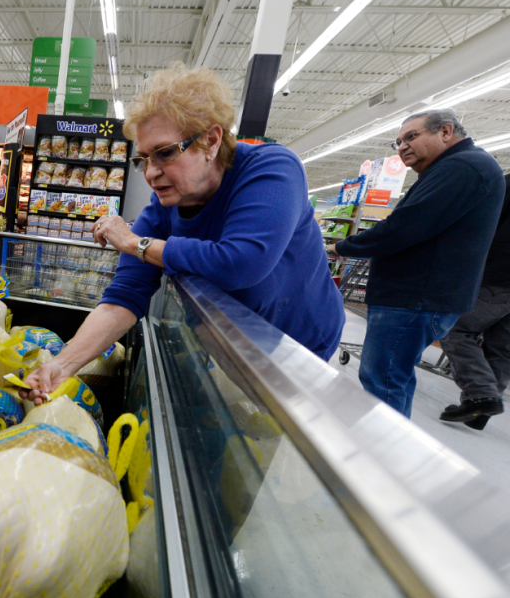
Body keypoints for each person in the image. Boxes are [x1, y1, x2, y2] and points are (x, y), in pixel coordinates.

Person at [23, 63, 344, 403]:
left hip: (301, 342)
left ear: (211, 140)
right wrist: (63, 365)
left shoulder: (272, 169)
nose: (150, 173)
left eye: (164, 153)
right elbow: (124, 297)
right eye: (143, 159)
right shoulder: (165, 204)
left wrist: (136, 243)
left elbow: (242, 263)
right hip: (234, 341)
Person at [327, 109, 505, 419]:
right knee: (393, 375)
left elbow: (406, 226)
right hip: (418, 296)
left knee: (382, 379)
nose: (402, 146)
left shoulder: (463, 167)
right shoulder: (454, 168)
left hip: (415, 297)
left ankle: (383, 458)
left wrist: (341, 247)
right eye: (397, 142)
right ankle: (390, 450)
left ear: (445, 132)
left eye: (412, 136)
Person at [438, 175, 510, 430]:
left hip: (498, 276)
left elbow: (484, 223)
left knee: (453, 328)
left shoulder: (507, 184)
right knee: (502, 349)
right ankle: (480, 412)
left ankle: (480, 395)